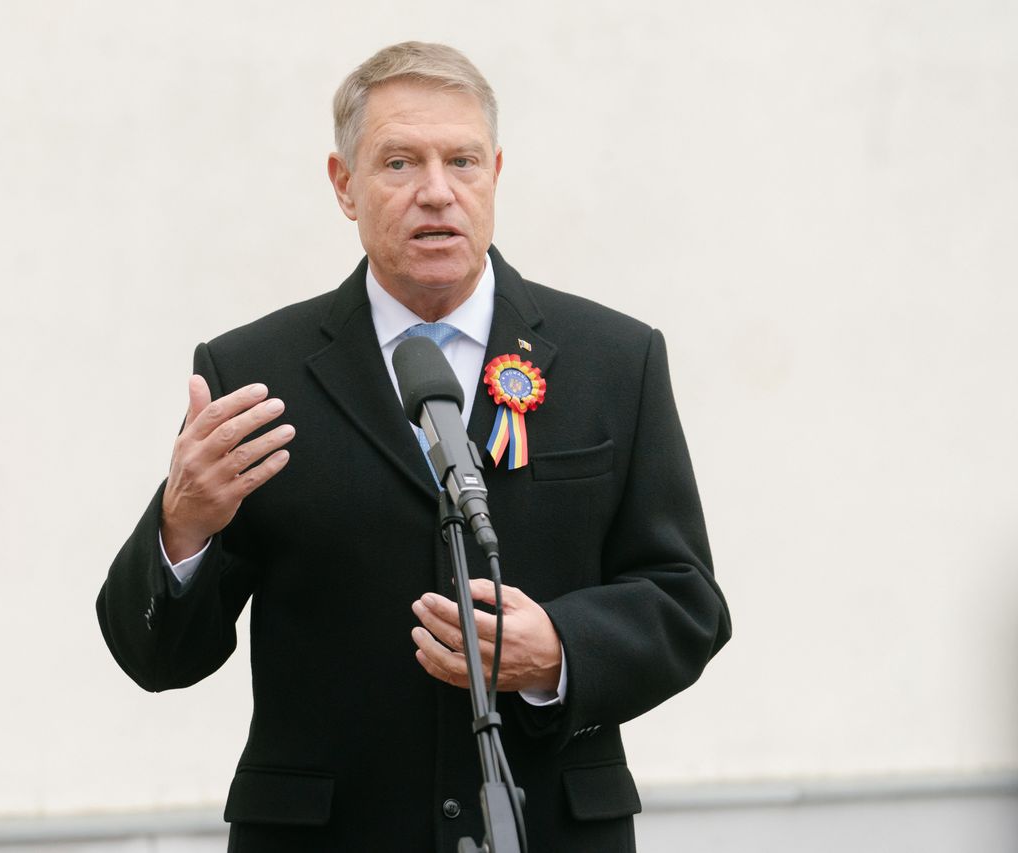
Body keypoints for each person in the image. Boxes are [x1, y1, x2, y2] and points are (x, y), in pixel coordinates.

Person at [97, 41, 731, 853]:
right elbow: (157, 656)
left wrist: (560, 652)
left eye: (462, 159)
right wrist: (180, 526)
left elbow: (686, 600)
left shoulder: (615, 358)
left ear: (495, 172)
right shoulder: (254, 373)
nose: (437, 191)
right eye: (399, 162)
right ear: (344, 185)